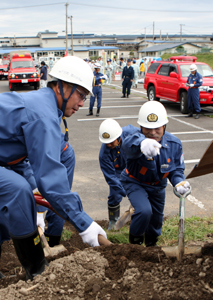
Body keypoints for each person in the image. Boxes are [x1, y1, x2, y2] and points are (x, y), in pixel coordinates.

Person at [0, 56, 107, 280]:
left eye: (86, 97)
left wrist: (35, 199)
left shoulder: (44, 106)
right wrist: (84, 224)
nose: (82, 103)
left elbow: (15, 158)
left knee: (15, 195)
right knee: (16, 191)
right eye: (80, 95)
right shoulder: (43, 115)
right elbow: (51, 181)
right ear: (63, 86)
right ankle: (38, 274)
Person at [120, 101, 191, 246]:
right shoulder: (136, 140)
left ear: (164, 126)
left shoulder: (174, 145)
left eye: (157, 128)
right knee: (144, 211)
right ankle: (135, 243)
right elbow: (128, 145)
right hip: (135, 182)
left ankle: (152, 245)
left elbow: (176, 169)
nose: (152, 133)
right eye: (147, 128)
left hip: (158, 186)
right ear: (141, 127)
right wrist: (142, 144)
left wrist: (179, 181)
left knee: (156, 219)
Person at [99, 119, 137, 230]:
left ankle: (138, 217)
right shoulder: (104, 154)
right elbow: (110, 177)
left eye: (112, 142)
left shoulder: (131, 132)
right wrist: (125, 191)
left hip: (134, 166)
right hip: (117, 171)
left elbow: (147, 135)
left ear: (118, 136)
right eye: (106, 143)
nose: (109, 145)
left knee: (140, 193)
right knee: (115, 194)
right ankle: (113, 221)